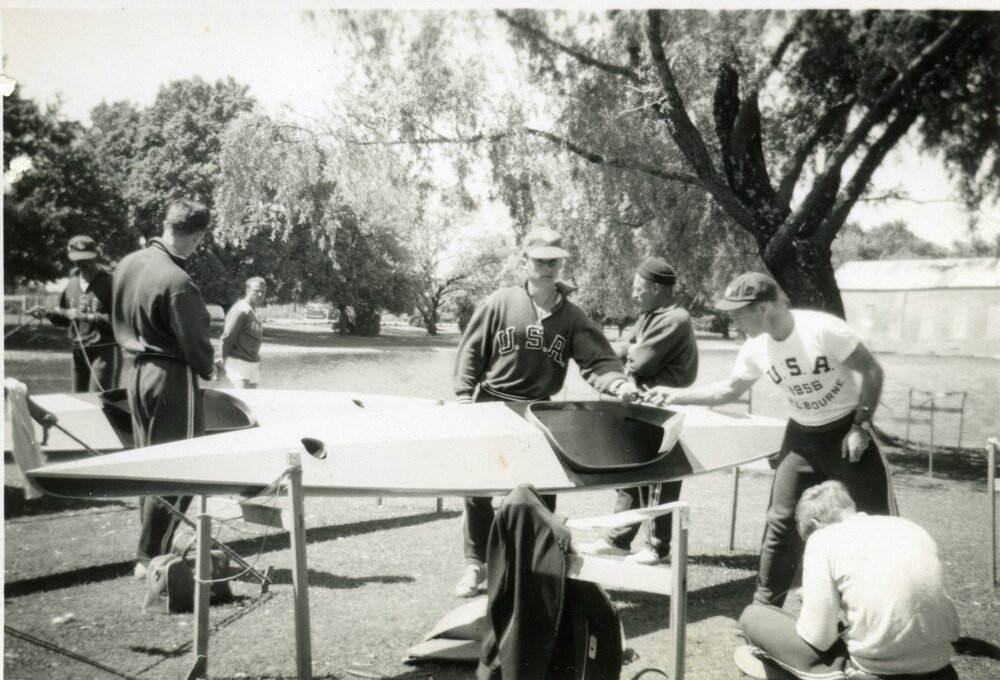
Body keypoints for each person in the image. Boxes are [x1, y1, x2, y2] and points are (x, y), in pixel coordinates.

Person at [646, 271, 896, 606]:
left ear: (764, 308)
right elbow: (728, 390)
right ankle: (765, 609)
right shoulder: (755, 349)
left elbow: (872, 370)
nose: (734, 321)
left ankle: (883, 608)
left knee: (873, 523)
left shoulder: (822, 330)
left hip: (845, 430)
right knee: (781, 521)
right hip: (802, 436)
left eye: (738, 313)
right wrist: (676, 397)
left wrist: (860, 427)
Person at [452, 226, 642, 597]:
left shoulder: (570, 316)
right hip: (492, 403)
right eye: (539, 260)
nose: (548, 267)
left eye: (554, 261)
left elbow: (598, 360)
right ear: (524, 261)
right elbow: (471, 351)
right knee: (477, 490)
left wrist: (618, 384)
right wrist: (463, 398)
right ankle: (476, 566)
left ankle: (534, 568)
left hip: (541, 411)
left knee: (540, 492)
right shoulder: (500, 301)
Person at [736, 480, 960, 680]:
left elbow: (818, 638)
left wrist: (814, 608)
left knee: (754, 615)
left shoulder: (823, 539)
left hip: (879, 669)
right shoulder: (909, 528)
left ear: (815, 524)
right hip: (938, 664)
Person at [112, 199, 224, 579]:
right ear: (195, 237)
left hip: (137, 373)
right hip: (171, 376)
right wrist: (211, 367)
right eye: (198, 241)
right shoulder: (178, 280)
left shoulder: (128, 264)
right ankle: (150, 557)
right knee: (182, 467)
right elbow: (195, 341)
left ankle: (151, 549)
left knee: (150, 465)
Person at [576, 257, 698, 565]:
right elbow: (618, 348)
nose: (633, 294)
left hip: (661, 409)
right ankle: (618, 540)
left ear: (656, 288)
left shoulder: (675, 318)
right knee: (631, 474)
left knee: (658, 477)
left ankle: (657, 547)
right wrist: (626, 350)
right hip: (641, 405)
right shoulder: (650, 315)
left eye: (638, 288)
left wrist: (628, 352)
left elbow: (640, 361)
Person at [29, 235, 120, 392]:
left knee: (101, 402)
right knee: (79, 400)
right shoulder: (72, 283)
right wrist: (47, 313)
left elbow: (120, 322)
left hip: (104, 352)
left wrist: (87, 317)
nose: (84, 263)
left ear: (95, 255)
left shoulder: (110, 282)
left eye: (87, 258)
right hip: (78, 350)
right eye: (79, 259)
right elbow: (65, 318)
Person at [221, 276, 267, 389]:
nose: (260, 294)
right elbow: (228, 337)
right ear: (247, 291)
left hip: (253, 363)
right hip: (238, 363)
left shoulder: (254, 312)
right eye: (256, 291)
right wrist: (221, 360)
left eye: (263, 292)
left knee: (250, 403)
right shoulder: (241, 310)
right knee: (242, 398)